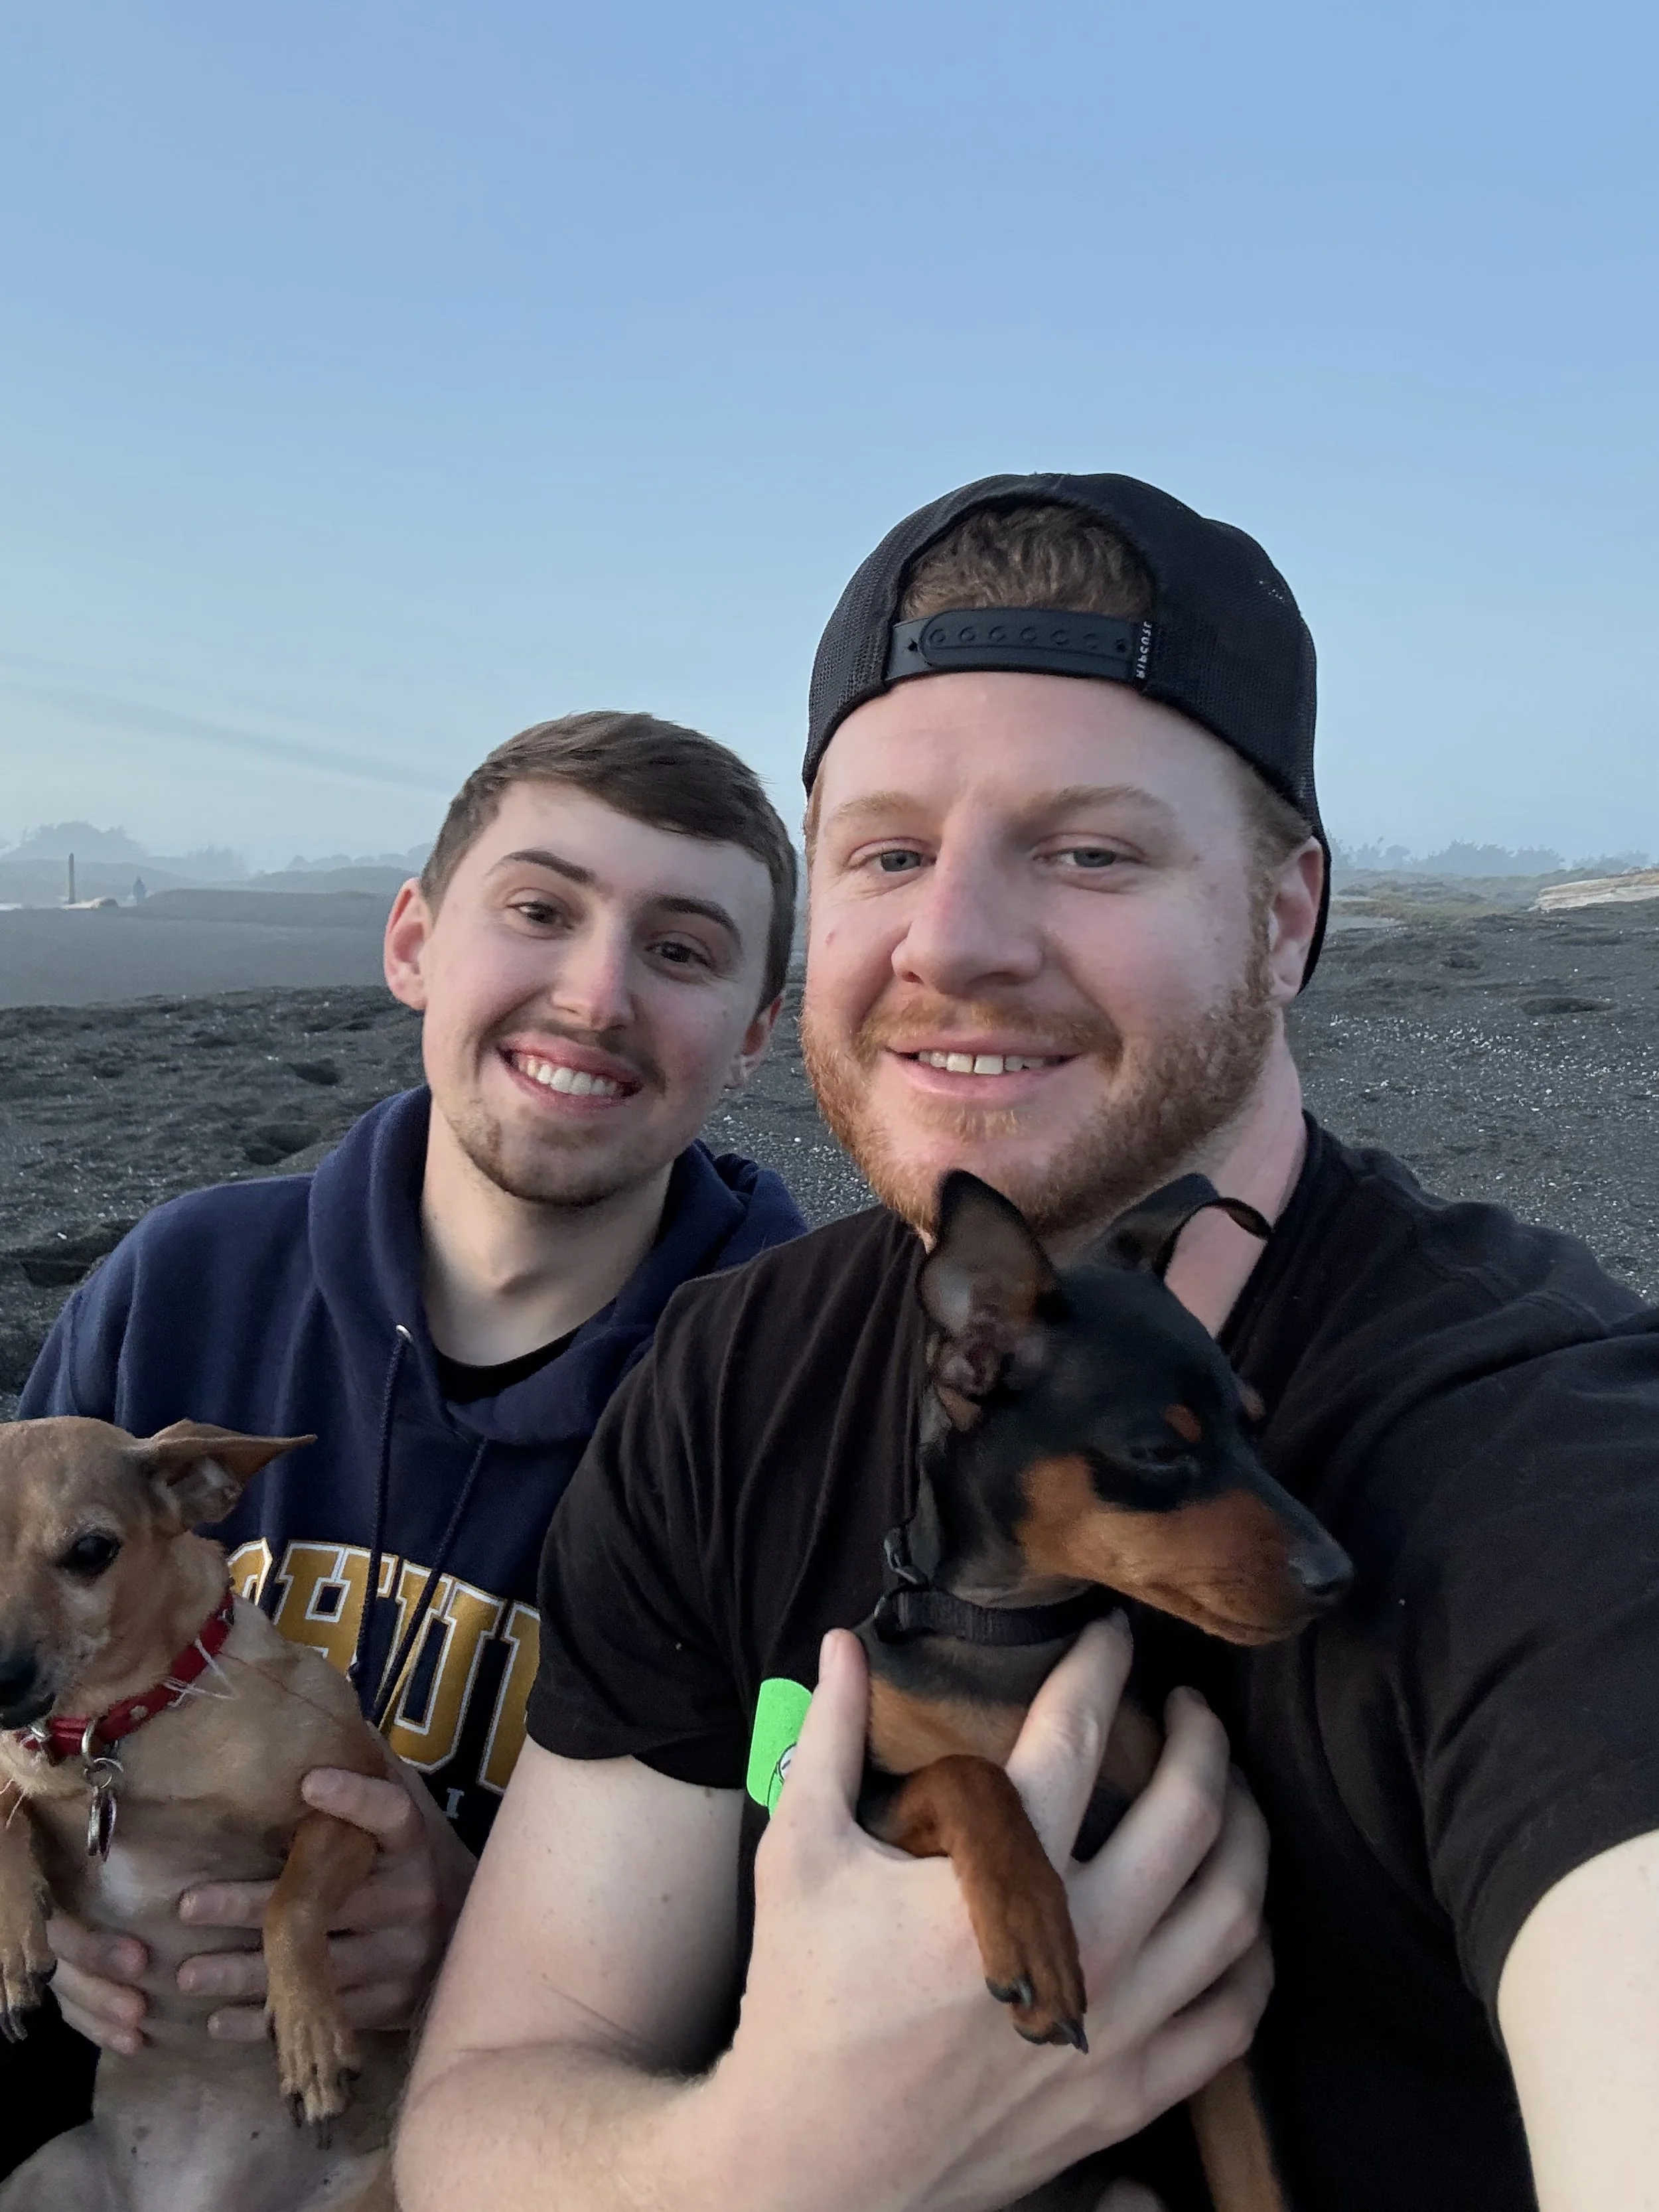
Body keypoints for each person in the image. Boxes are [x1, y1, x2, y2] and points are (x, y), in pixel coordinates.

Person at [399, 477, 1659, 2212]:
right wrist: (796, 2157)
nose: (956, 942)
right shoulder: (723, 1378)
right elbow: (477, 2122)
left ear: (1286, 916)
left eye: (1088, 850)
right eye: (887, 853)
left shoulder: (1545, 1457)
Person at [13, 710, 805, 2142]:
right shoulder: (179, 1287)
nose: (595, 993)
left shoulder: (792, 1398)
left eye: (680, 950)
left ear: (755, 1032)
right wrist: (47, 1898)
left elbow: (805, 1863)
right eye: (538, 911)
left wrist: (514, 1957)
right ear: (413, 943)